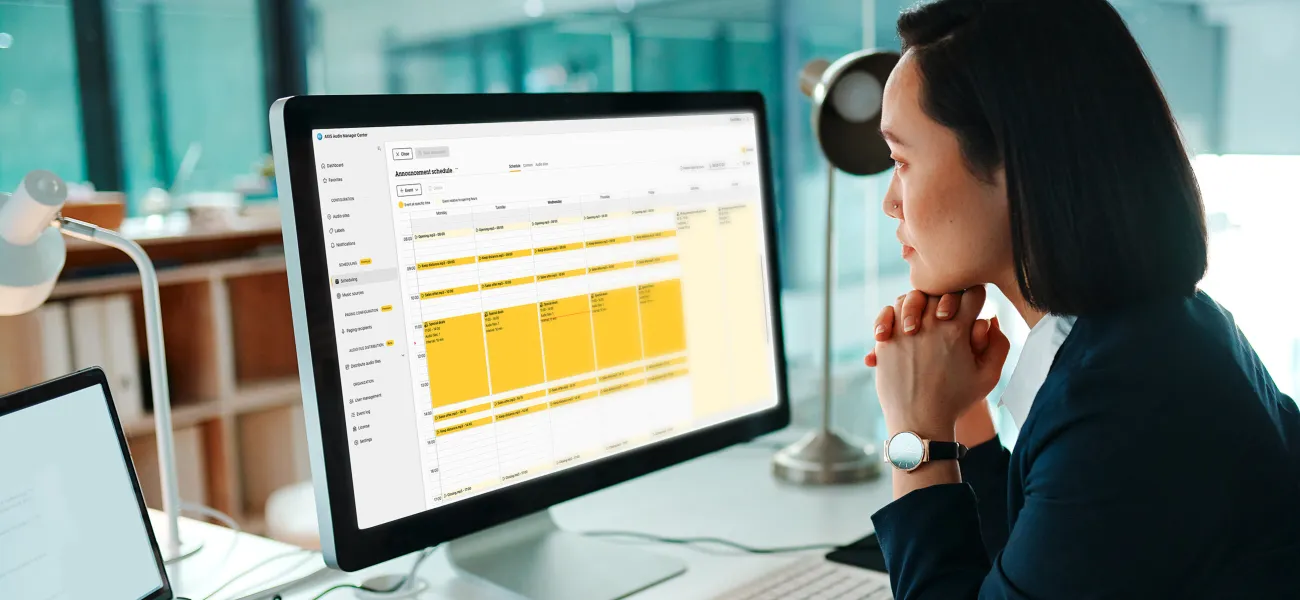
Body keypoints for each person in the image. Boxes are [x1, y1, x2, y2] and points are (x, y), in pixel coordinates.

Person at [860, 0, 1300, 597]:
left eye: (900, 160)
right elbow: (1026, 563)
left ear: (1016, 164)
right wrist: (954, 408)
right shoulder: (1163, 334)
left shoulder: (1123, 407)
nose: (891, 200)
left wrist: (915, 439)